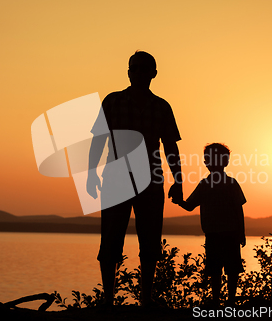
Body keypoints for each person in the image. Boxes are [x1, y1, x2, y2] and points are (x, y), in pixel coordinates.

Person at [86, 51, 183, 307]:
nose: (139, 72)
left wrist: (179, 180)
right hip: (115, 180)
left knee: (150, 241)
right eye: (135, 68)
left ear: (154, 73)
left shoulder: (162, 107)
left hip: (151, 182)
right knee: (110, 240)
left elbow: (170, 146)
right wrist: (90, 173)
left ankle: (146, 298)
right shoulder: (112, 102)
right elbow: (98, 140)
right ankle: (108, 300)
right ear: (129, 72)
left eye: (144, 68)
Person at [172, 143, 246, 305]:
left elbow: (238, 210)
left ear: (224, 162)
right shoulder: (207, 185)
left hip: (229, 234)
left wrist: (241, 233)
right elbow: (190, 205)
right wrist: (178, 200)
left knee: (227, 269)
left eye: (211, 159)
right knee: (217, 269)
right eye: (207, 159)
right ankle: (219, 301)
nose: (209, 162)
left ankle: (227, 301)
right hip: (215, 234)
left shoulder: (227, 184)